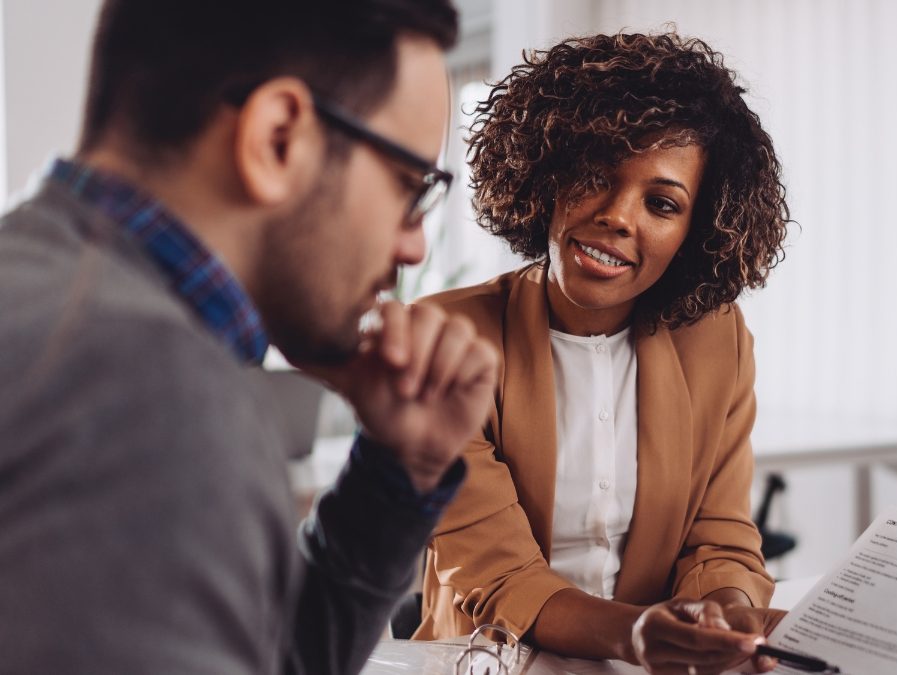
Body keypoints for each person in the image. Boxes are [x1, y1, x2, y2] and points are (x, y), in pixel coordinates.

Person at [0, 1, 499, 674]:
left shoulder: (41, 288)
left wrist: (396, 474)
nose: (413, 246)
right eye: (409, 187)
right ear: (277, 138)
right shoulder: (156, 396)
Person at [413, 32, 790, 674]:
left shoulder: (717, 340)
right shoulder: (444, 340)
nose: (618, 216)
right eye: (596, 175)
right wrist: (640, 634)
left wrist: (724, 617)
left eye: (662, 204)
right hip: (488, 661)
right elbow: (501, 576)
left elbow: (720, 541)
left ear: (696, 231)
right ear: (549, 172)